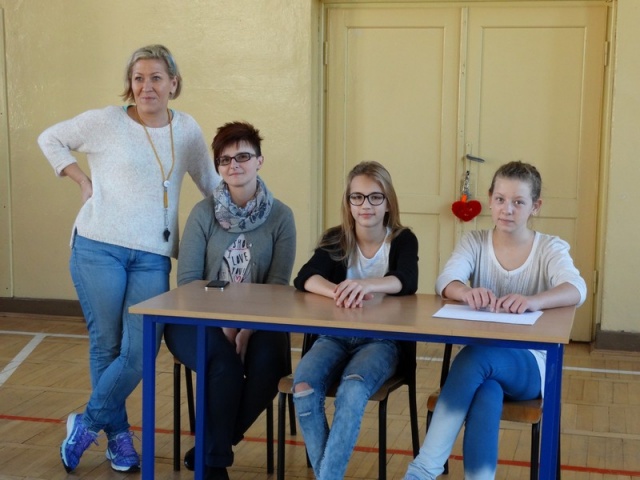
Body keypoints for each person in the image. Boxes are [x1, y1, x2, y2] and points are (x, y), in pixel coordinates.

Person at [37, 44, 220, 474]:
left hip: (153, 256)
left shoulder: (187, 129)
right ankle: (118, 437)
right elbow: (50, 138)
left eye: (156, 77)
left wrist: (252, 207)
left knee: (140, 351)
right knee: (107, 344)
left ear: (173, 83)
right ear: (130, 84)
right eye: (139, 78)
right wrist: (81, 180)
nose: (146, 86)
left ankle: (87, 423)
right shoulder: (105, 121)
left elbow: (211, 184)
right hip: (97, 246)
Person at [404, 161, 587, 480]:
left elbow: (577, 288)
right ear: (489, 199)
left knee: (475, 357)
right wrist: (464, 291)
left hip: (530, 366)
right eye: (500, 199)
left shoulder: (549, 247)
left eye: (519, 202)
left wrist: (532, 301)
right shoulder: (474, 242)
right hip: (484, 370)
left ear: (535, 206)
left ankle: (422, 470)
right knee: (487, 391)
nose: (507, 209)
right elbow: (446, 281)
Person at [164, 121, 296, 480]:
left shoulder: (281, 216)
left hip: (260, 320)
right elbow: (188, 282)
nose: (234, 165)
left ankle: (211, 448)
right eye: (224, 160)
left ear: (259, 161)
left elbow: (277, 286)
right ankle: (214, 465)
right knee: (223, 363)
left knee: (270, 363)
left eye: (243, 157)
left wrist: (247, 328)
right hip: (195, 318)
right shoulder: (202, 213)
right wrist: (222, 323)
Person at [292, 161, 419, 480]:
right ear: (348, 203)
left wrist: (366, 285)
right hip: (334, 336)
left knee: (351, 390)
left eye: (375, 197)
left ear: (388, 202)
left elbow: (407, 279)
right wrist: (339, 291)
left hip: (382, 341)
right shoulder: (337, 238)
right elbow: (305, 276)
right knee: (304, 386)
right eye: (357, 197)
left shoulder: (402, 239)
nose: (366, 205)